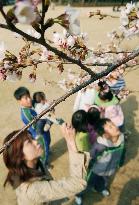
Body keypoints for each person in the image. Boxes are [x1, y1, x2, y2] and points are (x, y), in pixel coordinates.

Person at [3, 124, 90, 205]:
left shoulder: (23, 167)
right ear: (20, 156)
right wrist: (71, 142)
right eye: (29, 142)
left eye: (32, 138)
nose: (36, 141)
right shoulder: (33, 190)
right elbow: (78, 183)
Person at [87, 118, 125, 197]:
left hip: (110, 168)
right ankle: (80, 194)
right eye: (110, 127)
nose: (115, 127)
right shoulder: (100, 146)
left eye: (113, 124)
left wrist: (120, 162)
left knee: (104, 180)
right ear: (105, 135)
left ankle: (100, 188)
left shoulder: (121, 138)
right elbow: (91, 156)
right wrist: (89, 167)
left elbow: (122, 151)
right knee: (89, 182)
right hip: (96, 170)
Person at [13, 87, 51, 166]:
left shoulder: (33, 102)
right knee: (43, 149)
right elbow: (35, 127)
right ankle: (45, 163)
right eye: (25, 98)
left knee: (48, 141)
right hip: (39, 134)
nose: (29, 99)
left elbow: (41, 103)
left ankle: (47, 150)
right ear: (19, 101)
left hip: (45, 130)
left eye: (29, 96)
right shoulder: (25, 114)